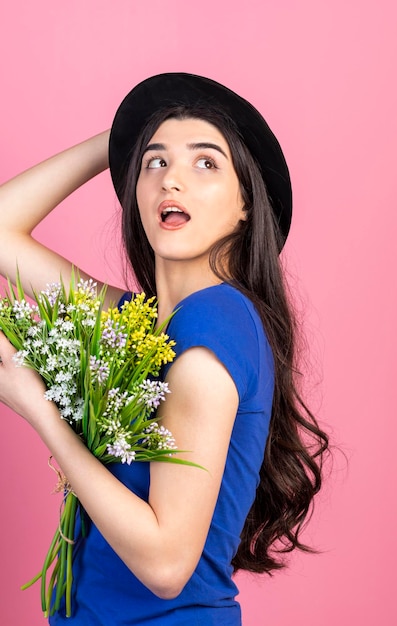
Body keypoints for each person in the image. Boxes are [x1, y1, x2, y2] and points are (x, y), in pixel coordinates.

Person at [0, 73, 328, 625]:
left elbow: (166, 564)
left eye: (205, 163)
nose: (172, 179)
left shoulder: (212, 330)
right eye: (155, 163)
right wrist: (121, 139)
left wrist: (38, 408)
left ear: (247, 203)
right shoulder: (146, 326)